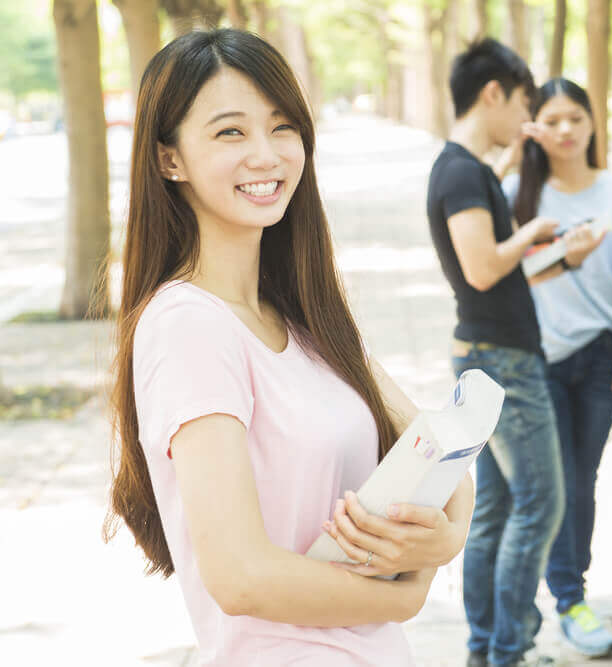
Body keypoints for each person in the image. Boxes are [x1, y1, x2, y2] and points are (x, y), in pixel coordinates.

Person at [103, 29, 474, 666]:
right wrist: (405, 594)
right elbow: (241, 576)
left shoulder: (306, 318)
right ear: (170, 159)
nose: (266, 155)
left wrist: (437, 547)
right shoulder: (187, 326)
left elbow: (444, 463)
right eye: (229, 132)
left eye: (282, 127)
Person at [425, 39, 569, 667]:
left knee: (501, 509)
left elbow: (489, 266)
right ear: (493, 94)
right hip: (501, 359)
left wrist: (548, 255)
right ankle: (508, 648)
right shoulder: (460, 172)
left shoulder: (466, 168)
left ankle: (487, 647)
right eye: (523, 102)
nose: (527, 116)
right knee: (540, 502)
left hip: (491, 352)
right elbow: (482, 269)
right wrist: (533, 233)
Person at [502, 77, 612, 659]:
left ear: (591, 123)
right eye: (551, 120)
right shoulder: (515, 191)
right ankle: (565, 599)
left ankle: (569, 598)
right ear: (535, 127)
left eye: (574, 119)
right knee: (552, 488)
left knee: (582, 481)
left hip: (603, 355)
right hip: (538, 359)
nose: (564, 131)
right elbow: (496, 279)